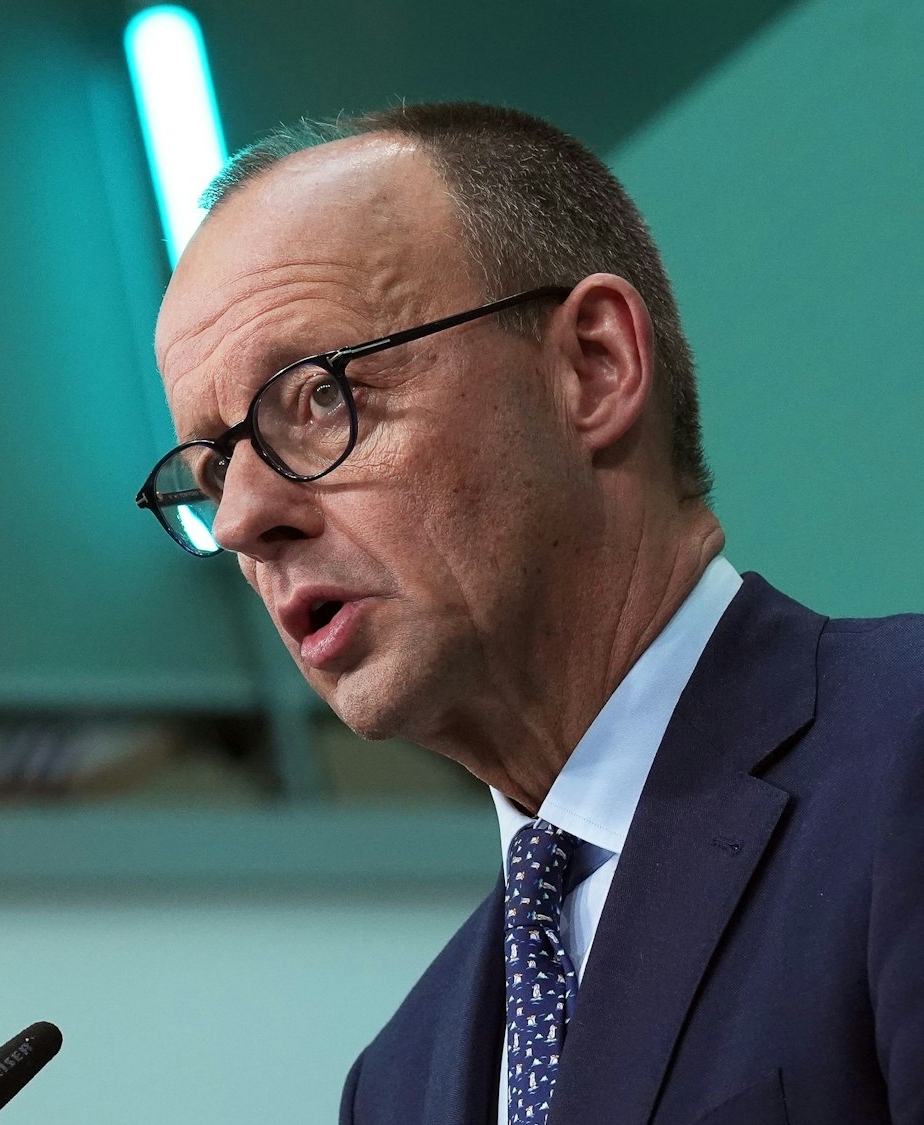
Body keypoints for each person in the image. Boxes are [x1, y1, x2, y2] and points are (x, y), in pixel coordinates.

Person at [135, 102, 924, 1125]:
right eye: (208, 471)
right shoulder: (399, 1081)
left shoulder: (901, 757)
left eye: (317, 398)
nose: (242, 518)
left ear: (591, 368)